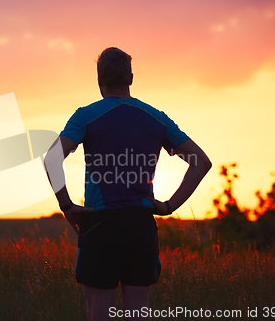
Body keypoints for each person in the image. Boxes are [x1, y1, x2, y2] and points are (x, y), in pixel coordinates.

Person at [44, 47, 211, 321]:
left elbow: (52, 158)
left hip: (100, 225)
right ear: (130, 78)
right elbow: (201, 162)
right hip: (141, 225)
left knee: (99, 312)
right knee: (137, 312)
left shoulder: (85, 116)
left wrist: (66, 206)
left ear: (100, 80)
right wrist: (169, 206)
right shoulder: (157, 117)